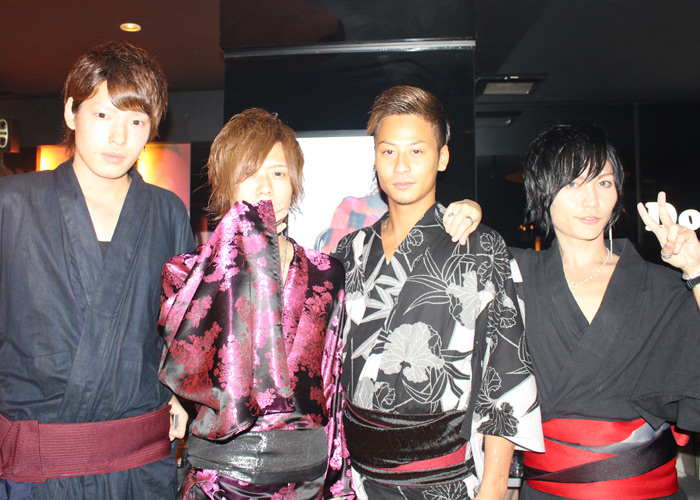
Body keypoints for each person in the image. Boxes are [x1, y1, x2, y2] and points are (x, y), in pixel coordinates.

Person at [0, 41, 194, 499]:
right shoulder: (12, 205)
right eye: (103, 114)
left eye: (136, 121)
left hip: (140, 464)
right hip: (37, 467)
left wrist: (181, 393)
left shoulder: (167, 212)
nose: (119, 137)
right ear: (71, 112)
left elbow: (184, 329)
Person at [465, 121, 700, 499]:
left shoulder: (659, 285)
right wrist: (464, 214)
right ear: (542, 191)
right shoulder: (513, 274)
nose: (591, 201)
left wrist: (695, 270)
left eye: (603, 183)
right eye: (573, 184)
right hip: (548, 491)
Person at [331, 85, 544, 500]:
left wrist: (494, 485)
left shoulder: (480, 246)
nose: (401, 166)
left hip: (443, 482)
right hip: (356, 481)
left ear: (442, 157)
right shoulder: (349, 251)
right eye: (388, 151)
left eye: (417, 151)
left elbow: (506, 368)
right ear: (375, 158)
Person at [158, 108, 353, 499]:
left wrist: (339, 484)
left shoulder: (326, 272)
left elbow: (333, 385)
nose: (266, 188)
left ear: (294, 182)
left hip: (307, 480)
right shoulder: (187, 275)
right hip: (222, 481)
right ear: (226, 184)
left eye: (278, 173)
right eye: (249, 173)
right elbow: (180, 369)